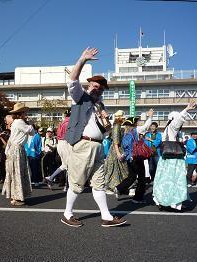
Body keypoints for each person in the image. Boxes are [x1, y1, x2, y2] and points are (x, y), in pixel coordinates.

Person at [61, 47, 126, 228]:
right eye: (95, 86)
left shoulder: (100, 106)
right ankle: (67, 214)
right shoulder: (79, 97)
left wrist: (106, 121)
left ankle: (106, 216)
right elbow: (72, 79)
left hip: (98, 147)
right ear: (89, 85)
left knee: (100, 183)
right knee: (77, 182)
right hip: (83, 144)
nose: (98, 90)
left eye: (101, 88)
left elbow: (105, 131)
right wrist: (83, 59)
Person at [153, 102, 196, 211]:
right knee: (174, 180)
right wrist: (186, 110)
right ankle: (173, 202)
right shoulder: (172, 127)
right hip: (174, 161)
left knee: (163, 180)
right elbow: (177, 122)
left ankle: (162, 200)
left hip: (166, 159)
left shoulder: (169, 130)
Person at [115, 111, 154, 203]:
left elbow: (125, 148)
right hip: (137, 158)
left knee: (131, 176)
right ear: (133, 124)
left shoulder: (126, 134)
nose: (137, 124)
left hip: (129, 158)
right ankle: (138, 198)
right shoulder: (135, 131)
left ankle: (119, 188)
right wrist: (150, 117)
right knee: (141, 177)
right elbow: (146, 126)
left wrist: (124, 156)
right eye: (136, 122)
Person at [2, 103, 35, 206]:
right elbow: (31, 131)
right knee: (18, 172)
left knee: (14, 172)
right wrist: (30, 123)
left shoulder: (16, 122)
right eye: (24, 112)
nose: (26, 114)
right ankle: (17, 197)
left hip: (14, 149)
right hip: (17, 150)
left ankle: (15, 196)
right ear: (21, 113)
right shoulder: (20, 122)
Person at [45, 109, 71, 190]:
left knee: (64, 165)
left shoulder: (62, 123)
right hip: (65, 143)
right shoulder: (69, 123)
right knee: (69, 166)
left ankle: (51, 177)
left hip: (60, 143)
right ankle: (67, 185)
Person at [104, 110, 128, 195]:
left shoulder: (118, 126)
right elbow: (115, 141)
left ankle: (118, 187)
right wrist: (118, 152)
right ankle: (110, 187)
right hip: (115, 150)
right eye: (122, 117)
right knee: (113, 168)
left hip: (118, 149)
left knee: (119, 169)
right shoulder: (117, 126)